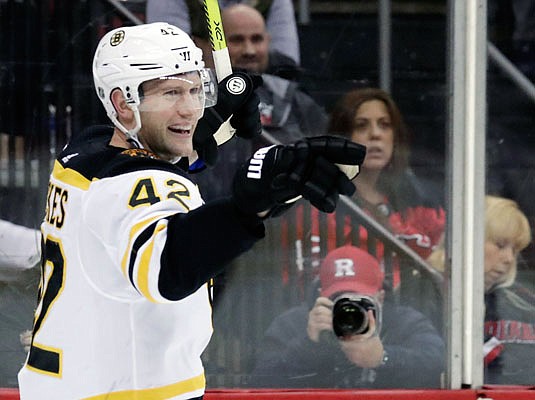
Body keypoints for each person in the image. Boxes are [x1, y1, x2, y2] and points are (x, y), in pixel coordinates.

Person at [16, 22, 365, 399]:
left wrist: (205, 133)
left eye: (197, 90)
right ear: (122, 103)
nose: (189, 108)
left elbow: (144, 170)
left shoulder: (84, 155)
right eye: (170, 93)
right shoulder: (131, 183)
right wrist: (246, 210)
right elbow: (168, 268)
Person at [249, 245, 445, 388]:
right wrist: (309, 346)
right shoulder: (293, 323)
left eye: (362, 301)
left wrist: (383, 358)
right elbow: (259, 383)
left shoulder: (404, 322)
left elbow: (438, 365)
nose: (350, 311)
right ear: (321, 297)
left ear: (381, 297)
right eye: (338, 300)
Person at [428, 195, 535, 385]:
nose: (509, 259)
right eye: (500, 246)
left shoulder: (522, 300)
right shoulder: (425, 290)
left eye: (514, 249)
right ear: (467, 238)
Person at [145, 0, 301, 74]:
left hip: (267, 96)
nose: (249, 50)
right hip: (200, 92)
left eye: (256, 40)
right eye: (238, 41)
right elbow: (174, 63)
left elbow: (286, 65)